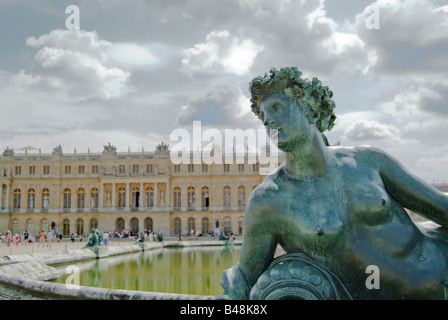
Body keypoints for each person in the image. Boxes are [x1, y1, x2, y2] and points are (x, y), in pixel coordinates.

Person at [220, 67, 448, 300]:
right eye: (262, 115)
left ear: (310, 110)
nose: (268, 120)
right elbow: (245, 280)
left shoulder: (369, 160)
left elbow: (441, 206)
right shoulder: (269, 200)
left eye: (277, 107)